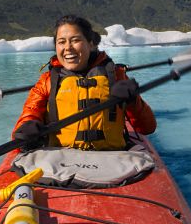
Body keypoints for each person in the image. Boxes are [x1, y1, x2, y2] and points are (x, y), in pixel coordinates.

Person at [12, 15, 156, 150]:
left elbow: (147, 127)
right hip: (61, 159)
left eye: (75, 40)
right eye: (61, 42)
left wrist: (133, 101)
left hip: (112, 158)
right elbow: (29, 114)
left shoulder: (117, 77)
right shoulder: (47, 81)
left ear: (91, 44)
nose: (68, 47)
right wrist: (26, 127)